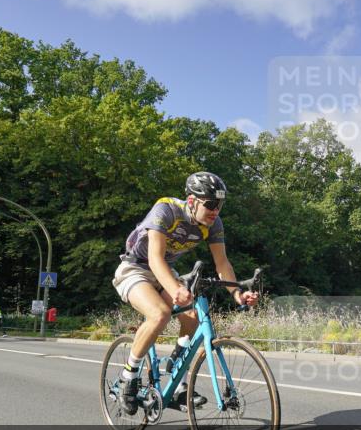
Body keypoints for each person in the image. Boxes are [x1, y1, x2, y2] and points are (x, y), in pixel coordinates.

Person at [111, 172, 259, 412]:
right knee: (160, 314)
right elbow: (155, 257)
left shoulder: (213, 224)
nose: (216, 211)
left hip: (165, 271)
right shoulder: (166, 209)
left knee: (192, 318)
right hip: (136, 267)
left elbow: (222, 263)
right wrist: (174, 289)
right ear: (191, 201)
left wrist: (236, 294)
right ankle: (128, 377)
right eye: (210, 204)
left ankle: (176, 372)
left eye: (220, 205)